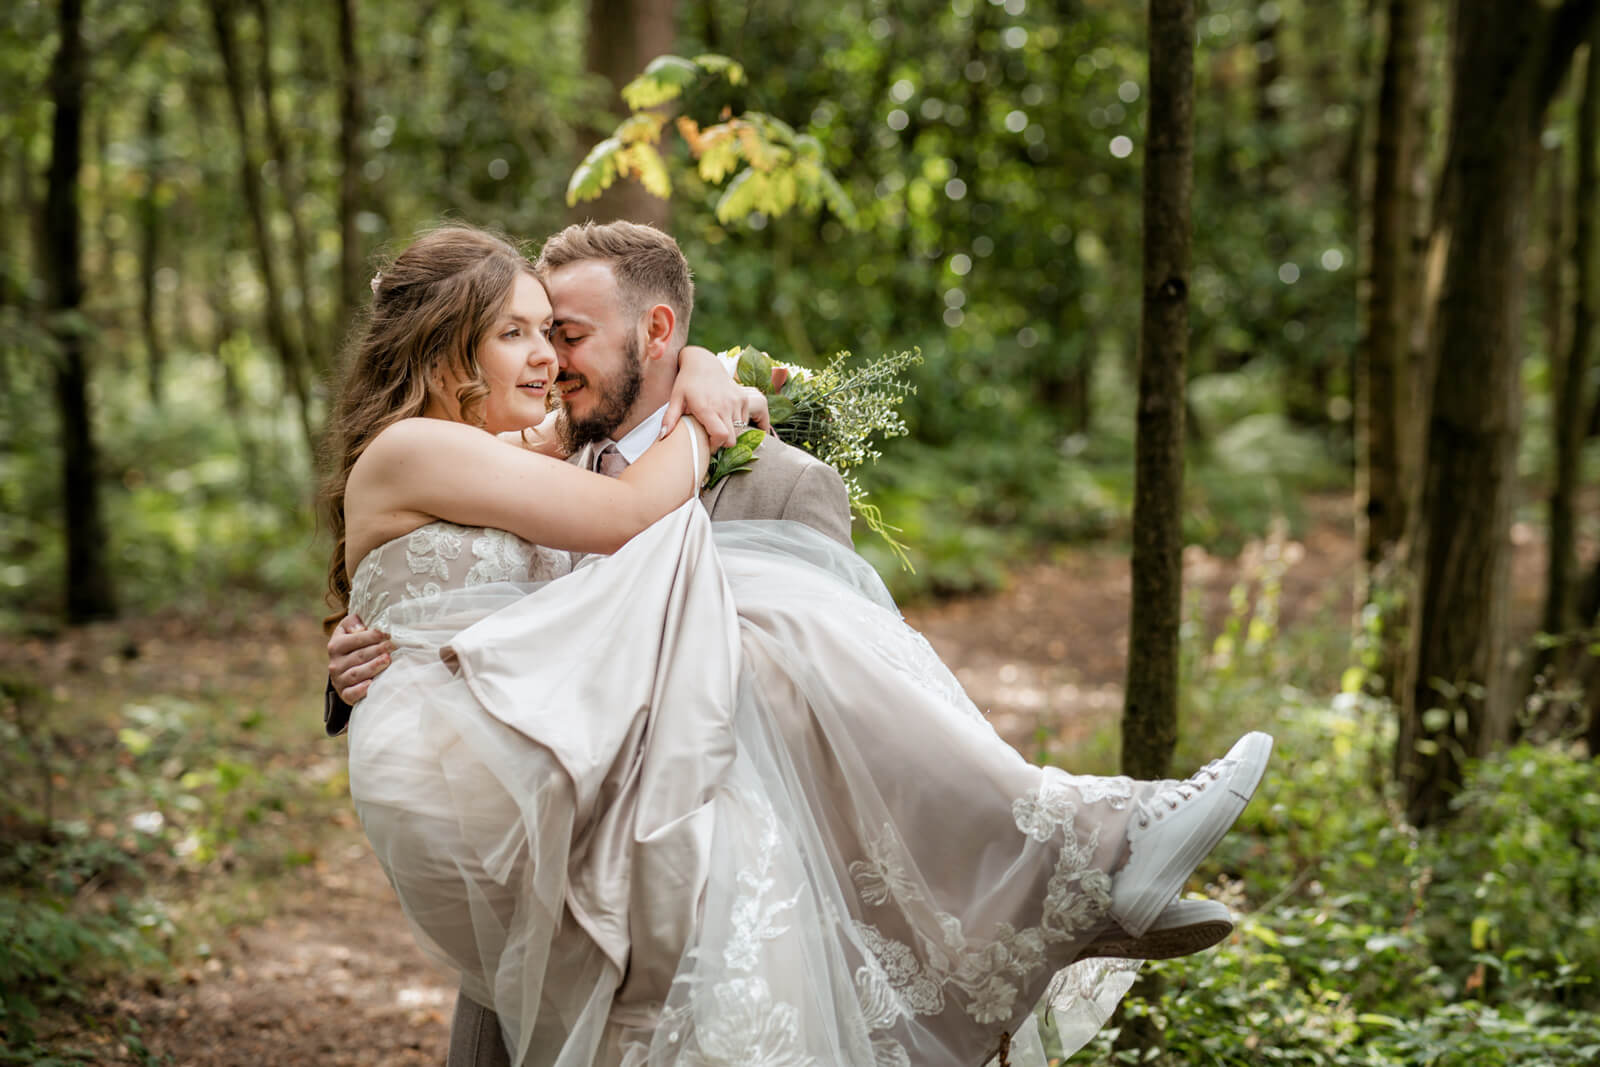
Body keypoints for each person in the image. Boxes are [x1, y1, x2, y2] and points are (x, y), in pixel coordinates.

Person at [326, 222, 1272, 1066]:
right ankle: (1081, 853)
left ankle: (1068, 865)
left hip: (640, 797)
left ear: (653, 332)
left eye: (560, 333)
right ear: (452, 343)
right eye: (522, 333)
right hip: (524, 779)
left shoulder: (772, 481)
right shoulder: (459, 449)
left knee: (773, 634)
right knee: (762, 624)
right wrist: (707, 406)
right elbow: (601, 523)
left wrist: (699, 369)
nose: (548, 361)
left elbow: (848, 740)